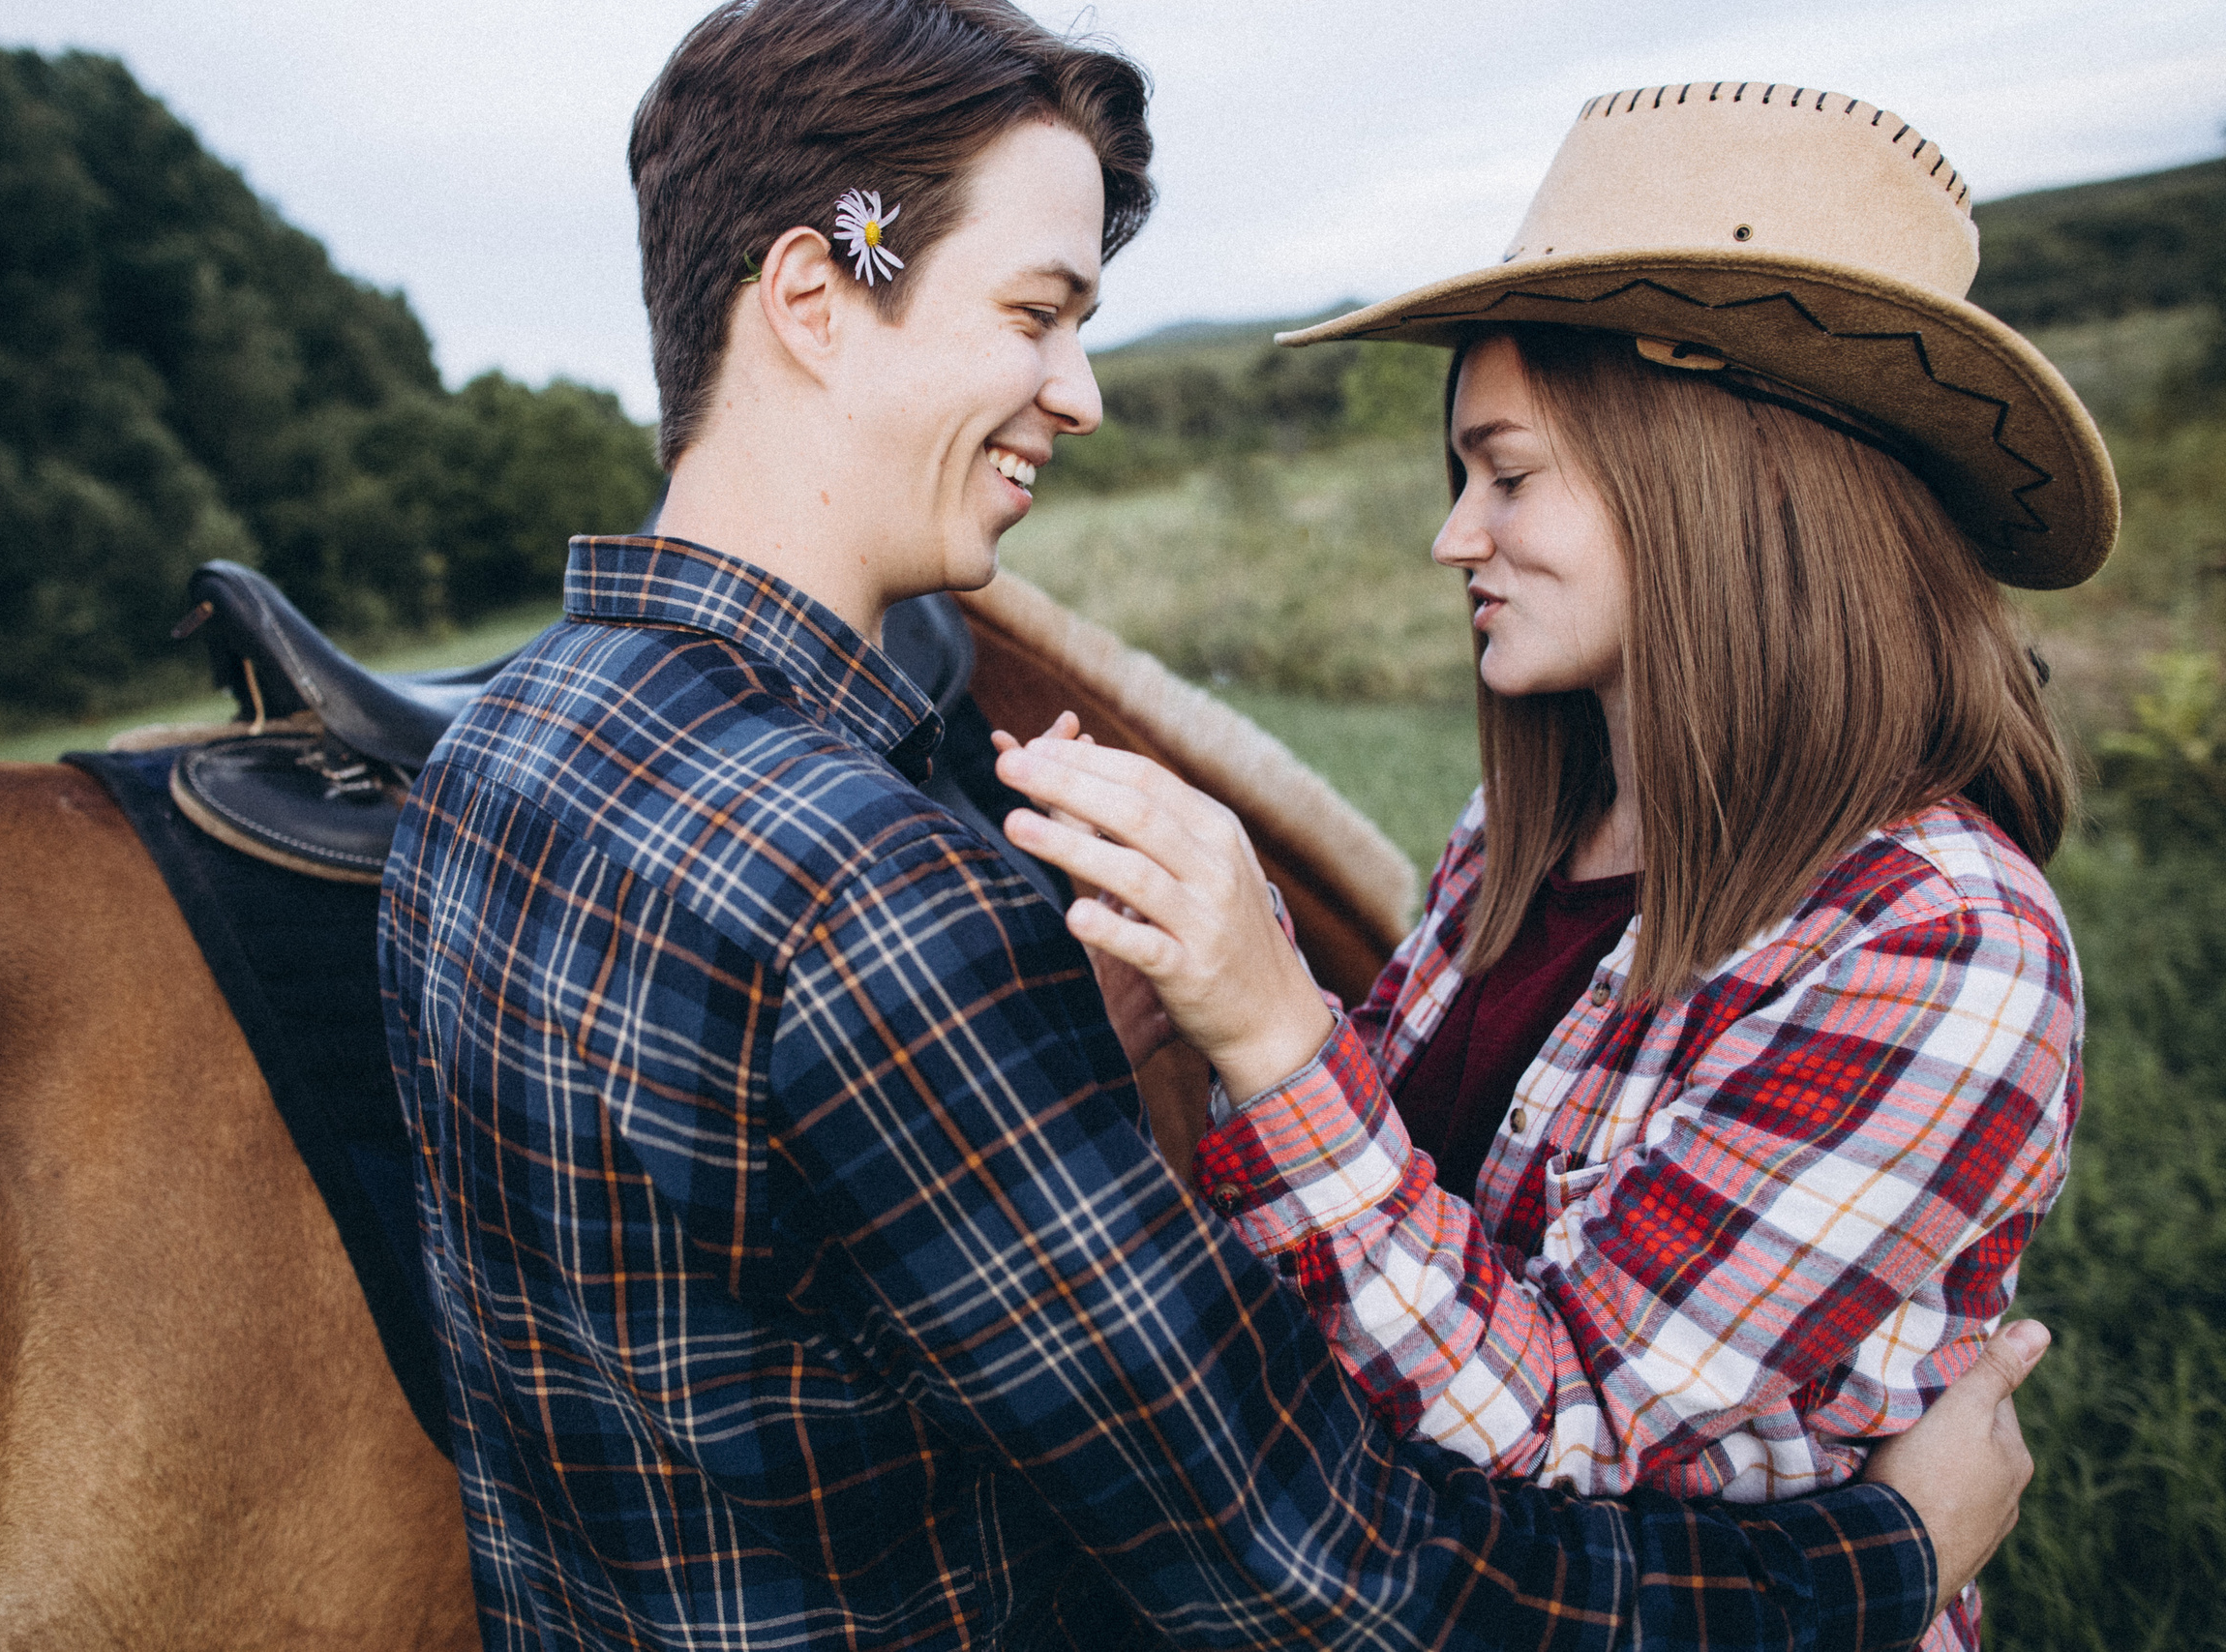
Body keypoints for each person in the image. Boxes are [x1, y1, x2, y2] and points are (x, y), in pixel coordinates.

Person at [380, 15, 2044, 1647]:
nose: (1083, 395)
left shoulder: (499, 743)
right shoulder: (876, 892)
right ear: (814, 297)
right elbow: (1314, 1574)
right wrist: (1887, 1557)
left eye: (1506, 475)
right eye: (1036, 311)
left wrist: (1143, 1070)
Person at [991, 81, 2111, 1652]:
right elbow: (1359, 1275)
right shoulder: (1522, 834)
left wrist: (1272, 1028)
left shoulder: (1940, 942)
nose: (1458, 537)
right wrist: (1163, 1039)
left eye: (1507, 475)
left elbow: (1567, 1417)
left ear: (1717, 483)